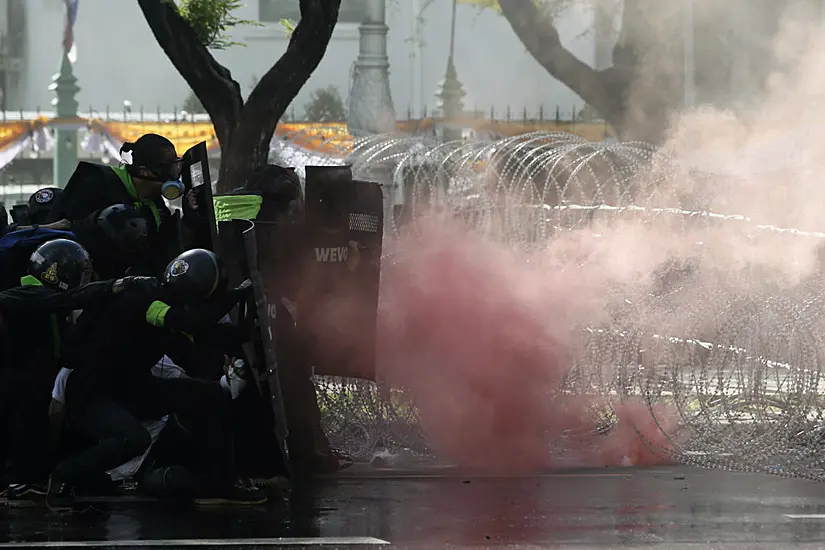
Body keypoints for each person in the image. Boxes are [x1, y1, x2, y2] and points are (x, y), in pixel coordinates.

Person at [49, 248, 266, 511]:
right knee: (133, 438)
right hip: (93, 393)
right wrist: (238, 294)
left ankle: (218, 484)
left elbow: (201, 334)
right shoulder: (148, 301)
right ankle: (64, 474)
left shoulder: (158, 300)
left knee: (211, 396)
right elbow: (192, 322)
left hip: (130, 387)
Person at [0, 239, 158, 499]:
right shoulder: (21, 296)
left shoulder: (44, 303)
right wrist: (116, 285)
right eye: (80, 274)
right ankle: (19, 480)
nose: (83, 281)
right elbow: (64, 299)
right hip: (16, 389)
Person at [46, 133, 203, 274]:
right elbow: (66, 238)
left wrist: (189, 218)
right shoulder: (97, 183)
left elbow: (163, 250)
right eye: (169, 168)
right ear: (144, 171)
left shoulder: (154, 202)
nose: (175, 174)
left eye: (177, 165)